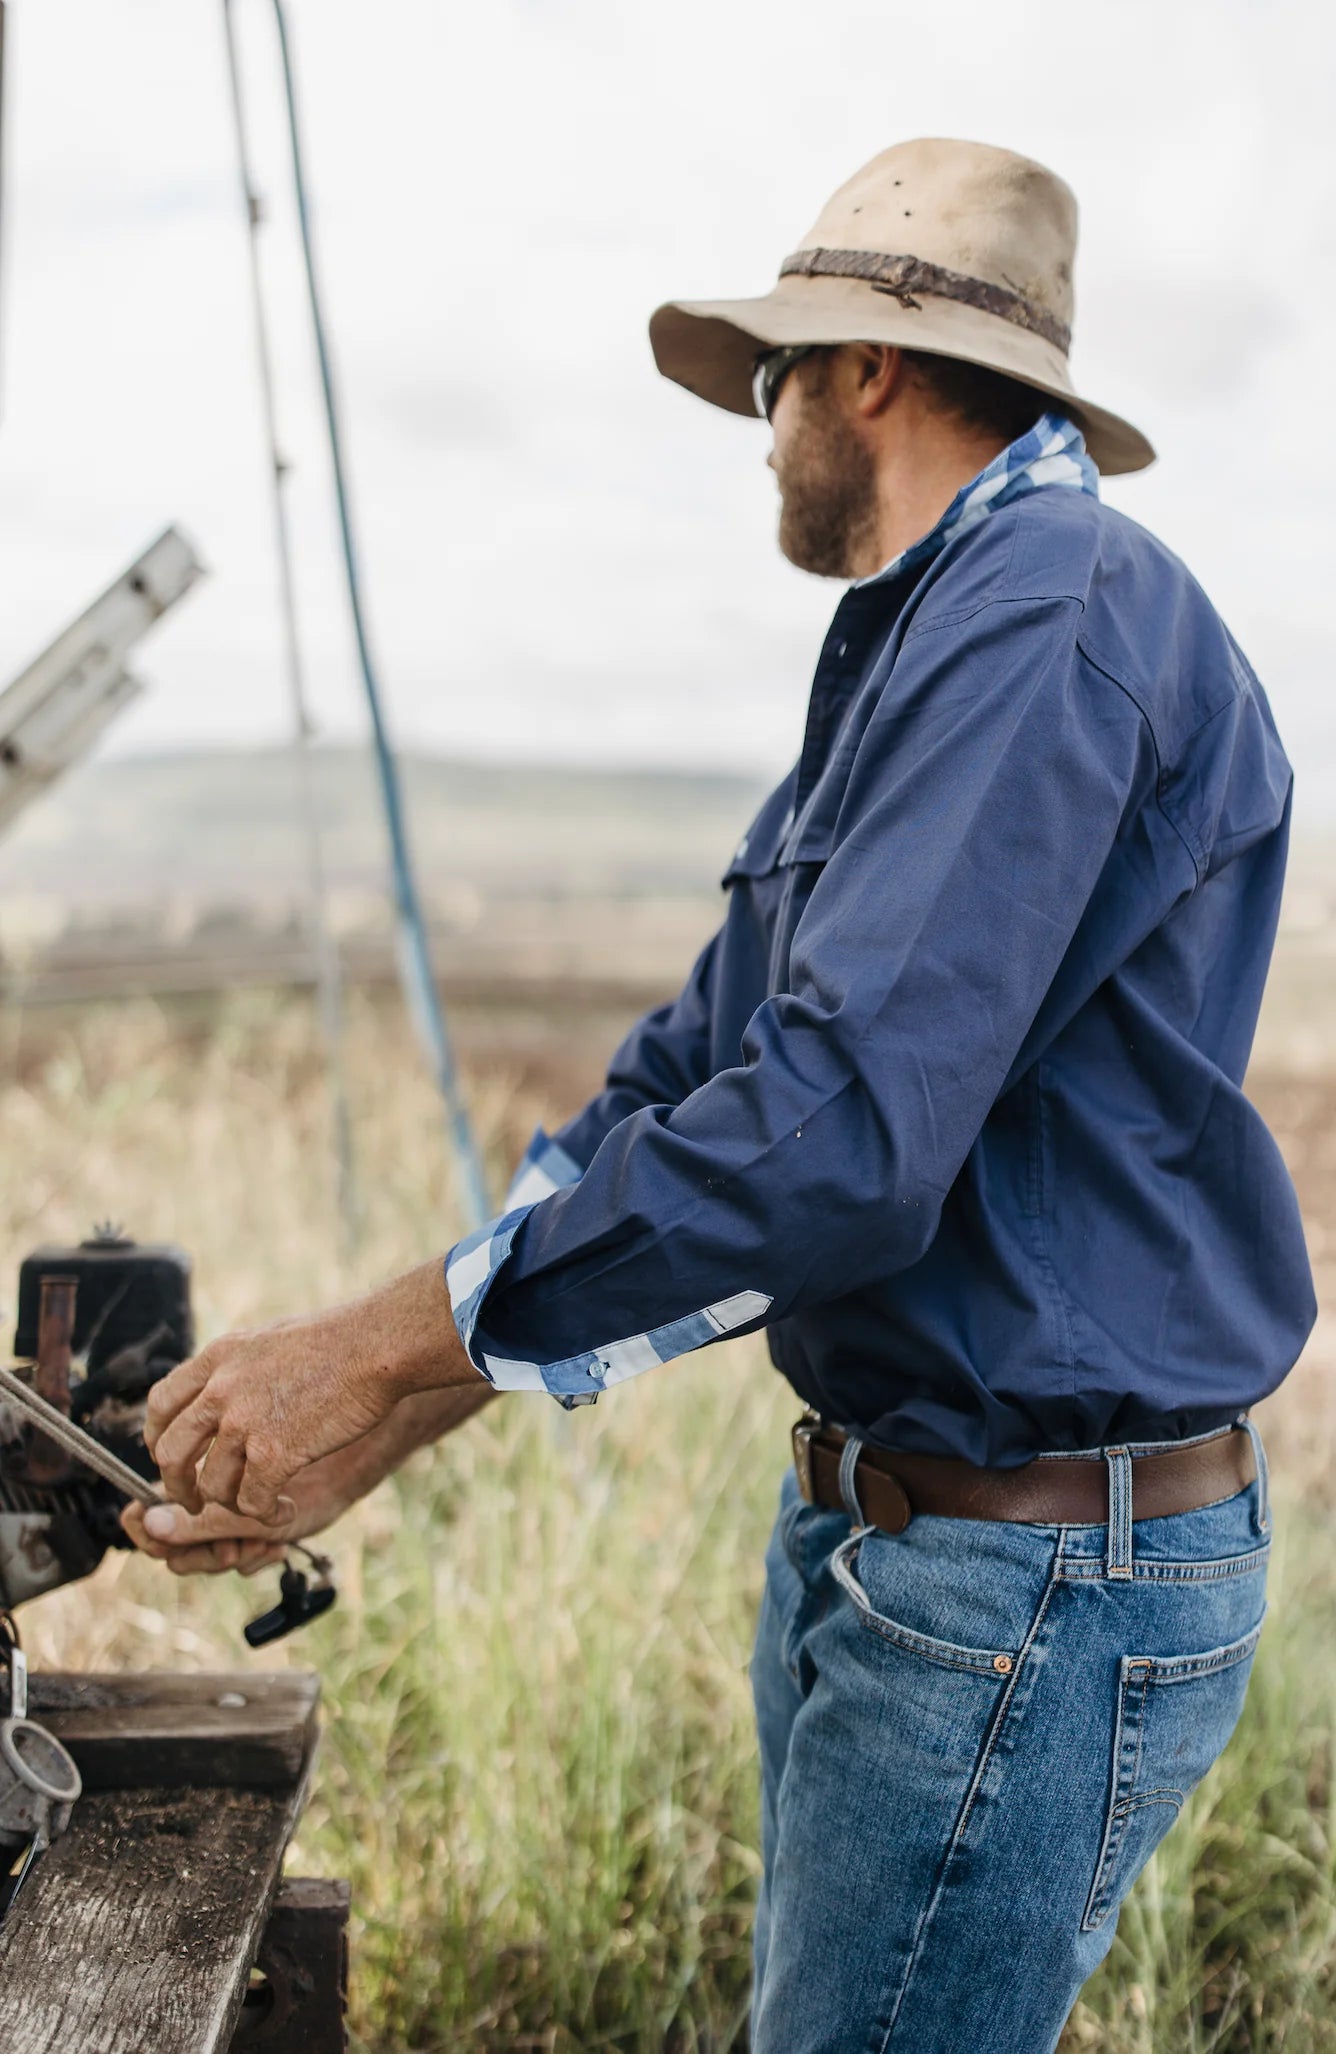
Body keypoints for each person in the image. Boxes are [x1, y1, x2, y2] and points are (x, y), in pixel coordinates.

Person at [125, 137, 1316, 2050]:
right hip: (915, 1543)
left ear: (866, 370)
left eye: (771, 379)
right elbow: (703, 1068)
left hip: (1021, 1576)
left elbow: (834, 1138)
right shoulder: (924, 642)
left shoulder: (1049, 608)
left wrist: (370, 1350)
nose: (759, 429)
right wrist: (393, 1402)